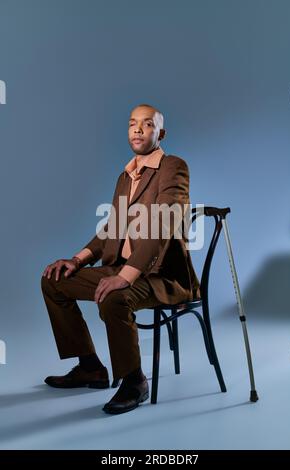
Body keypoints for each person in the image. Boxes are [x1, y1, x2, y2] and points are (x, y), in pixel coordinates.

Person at [41, 103, 200, 414]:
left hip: (161, 276)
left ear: (161, 133)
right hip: (121, 268)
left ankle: (134, 381)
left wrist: (124, 277)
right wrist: (77, 260)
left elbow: (162, 225)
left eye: (147, 124)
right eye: (132, 124)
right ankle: (90, 366)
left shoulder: (173, 167)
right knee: (54, 281)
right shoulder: (124, 177)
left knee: (114, 298)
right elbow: (111, 229)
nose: (138, 129)